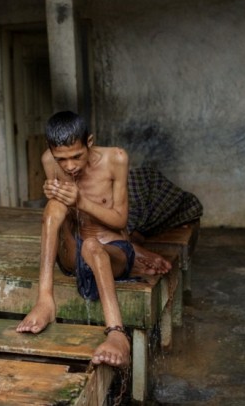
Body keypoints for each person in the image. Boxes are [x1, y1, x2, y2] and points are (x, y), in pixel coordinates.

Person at [16, 111, 172, 367]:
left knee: (93, 246)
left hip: (112, 251)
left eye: (76, 156)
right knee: (54, 207)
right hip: (72, 254)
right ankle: (45, 299)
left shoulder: (116, 159)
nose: (69, 166)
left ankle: (116, 334)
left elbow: (120, 220)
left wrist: (81, 201)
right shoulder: (49, 160)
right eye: (61, 159)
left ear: (89, 142)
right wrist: (55, 195)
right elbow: (63, 216)